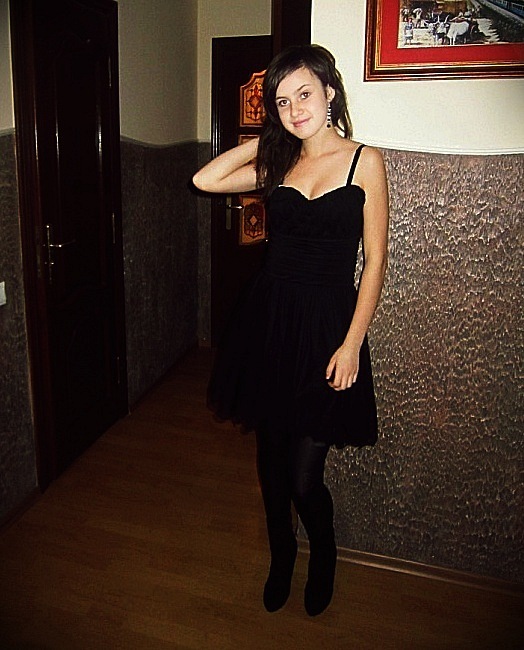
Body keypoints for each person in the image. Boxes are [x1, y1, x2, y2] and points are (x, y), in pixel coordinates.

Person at [193, 44, 389, 617]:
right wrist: (271, 138)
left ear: (330, 92)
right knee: (271, 466)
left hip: (328, 330)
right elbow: (206, 178)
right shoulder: (278, 164)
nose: (295, 108)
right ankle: (282, 556)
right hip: (270, 324)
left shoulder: (364, 162)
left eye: (304, 94)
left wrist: (352, 344)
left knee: (304, 477)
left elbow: (375, 260)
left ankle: (322, 554)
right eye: (282, 102)